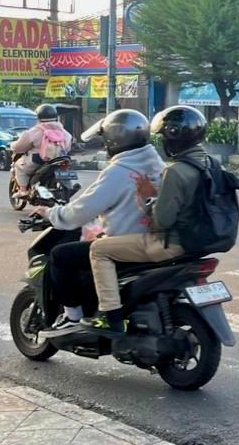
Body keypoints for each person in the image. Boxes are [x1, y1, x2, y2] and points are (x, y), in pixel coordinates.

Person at [31, 109, 164, 332]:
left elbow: (81, 211)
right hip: (156, 241)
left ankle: (74, 317)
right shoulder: (157, 165)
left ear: (114, 140)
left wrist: (51, 213)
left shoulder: (119, 171)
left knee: (60, 256)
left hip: (128, 245)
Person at [82, 105, 210, 332]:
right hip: (200, 244)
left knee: (99, 249)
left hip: (171, 244)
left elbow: (161, 221)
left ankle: (111, 316)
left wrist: (147, 198)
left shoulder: (175, 171)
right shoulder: (210, 165)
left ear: (173, 137)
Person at [11, 103, 72, 197]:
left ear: (38, 116)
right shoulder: (64, 131)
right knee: (65, 169)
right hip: (60, 159)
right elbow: (67, 147)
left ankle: (23, 190)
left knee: (19, 166)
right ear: (55, 116)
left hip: (38, 160)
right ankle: (68, 188)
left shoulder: (34, 131)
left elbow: (20, 147)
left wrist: (13, 145)